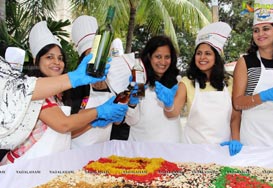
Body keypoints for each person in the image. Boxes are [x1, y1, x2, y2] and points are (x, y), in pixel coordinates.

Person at [0, 21, 128, 165]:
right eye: (49, 57)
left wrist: (92, 123)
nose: (57, 62)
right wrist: (99, 111)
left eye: (60, 58)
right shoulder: (34, 90)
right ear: (36, 60)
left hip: (49, 164)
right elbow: (63, 124)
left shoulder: (59, 95)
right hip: (24, 166)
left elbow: (66, 134)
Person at [161, 22, 242, 156]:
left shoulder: (230, 82)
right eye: (199, 53)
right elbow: (172, 113)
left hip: (223, 149)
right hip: (192, 150)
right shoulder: (187, 82)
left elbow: (235, 117)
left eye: (207, 53)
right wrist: (168, 104)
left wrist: (236, 139)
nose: (202, 57)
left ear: (216, 57)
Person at [232, 0, 273, 147]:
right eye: (256, 30)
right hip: (255, 141)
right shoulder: (246, 62)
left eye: (266, 29)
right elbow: (237, 104)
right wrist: (265, 95)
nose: (260, 34)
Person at [70, 15, 118, 148]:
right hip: (77, 155)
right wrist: (95, 119)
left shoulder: (112, 81)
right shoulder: (75, 86)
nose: (97, 60)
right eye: (91, 55)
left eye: (100, 54)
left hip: (103, 155)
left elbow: (119, 122)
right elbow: (69, 130)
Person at [125, 35, 183, 143]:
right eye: (158, 56)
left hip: (172, 146)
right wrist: (132, 103)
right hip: (142, 149)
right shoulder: (140, 80)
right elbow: (131, 121)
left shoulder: (177, 82)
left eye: (167, 57)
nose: (163, 62)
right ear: (149, 56)